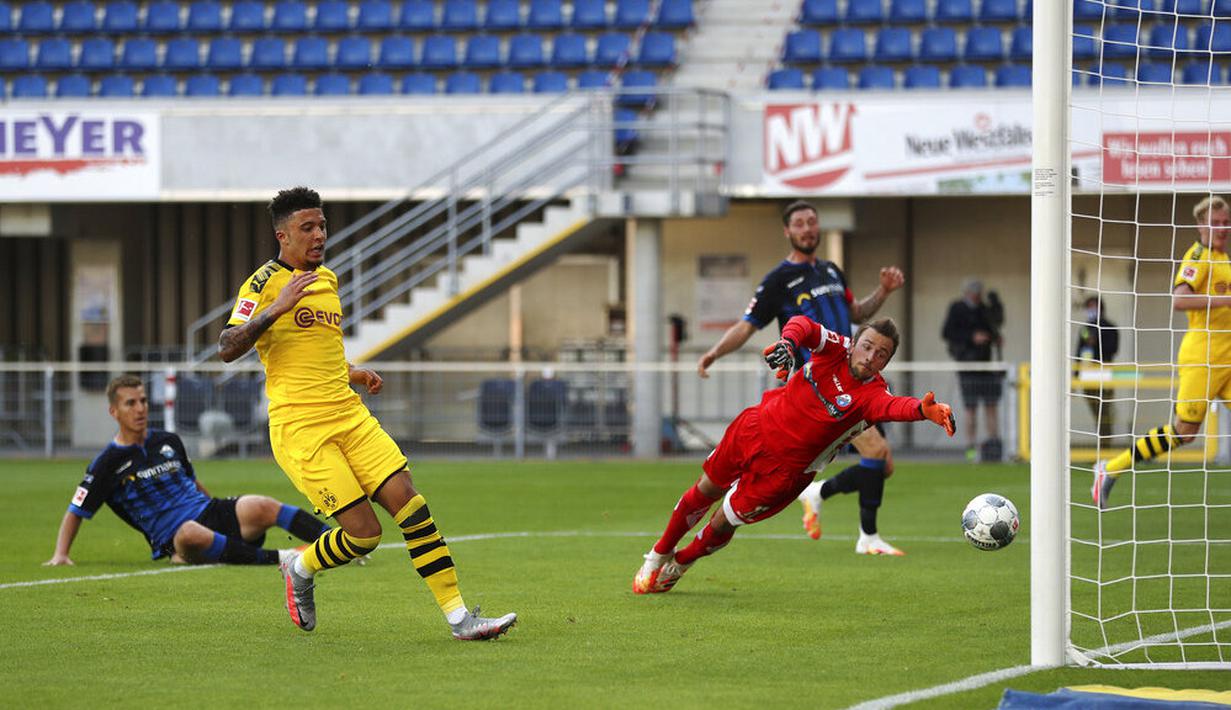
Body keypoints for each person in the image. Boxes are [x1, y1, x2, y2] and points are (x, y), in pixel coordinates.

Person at [219, 187, 515, 640]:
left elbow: (317, 350)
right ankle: (300, 566)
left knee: (412, 505)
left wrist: (352, 372)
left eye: (322, 225)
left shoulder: (328, 280)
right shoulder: (262, 284)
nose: (319, 235)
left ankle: (460, 619)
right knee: (364, 535)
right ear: (283, 236)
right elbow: (226, 347)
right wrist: (278, 308)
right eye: (308, 228)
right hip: (302, 430)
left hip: (349, 416)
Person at [634, 316, 956, 594]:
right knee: (706, 488)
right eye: (867, 346)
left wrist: (922, 410)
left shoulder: (873, 394)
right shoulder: (836, 348)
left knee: (723, 520)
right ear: (855, 342)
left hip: (785, 474)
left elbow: (894, 406)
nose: (871, 356)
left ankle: (680, 564)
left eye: (881, 354)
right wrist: (789, 342)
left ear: (886, 362)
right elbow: (804, 325)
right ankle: (657, 554)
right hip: (754, 428)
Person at [696, 200, 910, 556]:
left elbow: (857, 314)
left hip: (854, 381)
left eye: (812, 222)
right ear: (788, 231)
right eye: (799, 223)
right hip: (819, 388)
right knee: (876, 451)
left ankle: (819, 493)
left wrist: (884, 292)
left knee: (883, 466)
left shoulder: (831, 271)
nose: (808, 228)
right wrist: (715, 352)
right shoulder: (779, 280)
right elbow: (748, 324)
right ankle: (868, 538)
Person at [45, 374, 331, 567]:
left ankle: (333, 542)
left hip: (208, 512)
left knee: (262, 504)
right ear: (114, 412)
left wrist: (218, 507)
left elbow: (193, 483)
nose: (140, 409)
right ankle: (283, 558)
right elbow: (76, 510)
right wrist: (61, 554)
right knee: (190, 532)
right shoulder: (106, 464)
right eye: (130, 403)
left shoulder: (167, 441)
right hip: (175, 538)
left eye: (143, 401)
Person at [1094, 195, 1231, 508]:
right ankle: (1109, 469)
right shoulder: (1198, 255)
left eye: (1226, 222)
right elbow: (1180, 299)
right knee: (1185, 432)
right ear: (1201, 226)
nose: (1223, 228)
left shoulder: (1223, 260)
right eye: (1216, 223)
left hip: (1227, 356)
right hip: (1205, 358)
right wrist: (1225, 301)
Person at [941, 279, 1005, 461]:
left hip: (986, 365)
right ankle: (971, 447)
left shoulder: (984, 309)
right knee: (971, 409)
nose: (977, 298)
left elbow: (994, 327)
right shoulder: (957, 308)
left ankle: (993, 445)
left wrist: (993, 338)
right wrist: (971, 337)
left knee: (991, 405)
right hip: (967, 365)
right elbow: (947, 332)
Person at [1075, 296, 1120, 442]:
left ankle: (1105, 446)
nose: (1090, 310)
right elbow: (1079, 352)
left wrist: (1097, 342)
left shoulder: (1110, 327)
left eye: (1093, 307)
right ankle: (1101, 444)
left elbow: (1113, 349)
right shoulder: (1085, 329)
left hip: (1104, 372)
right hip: (1087, 373)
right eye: (1088, 307)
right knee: (1095, 411)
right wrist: (1076, 375)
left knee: (1105, 411)